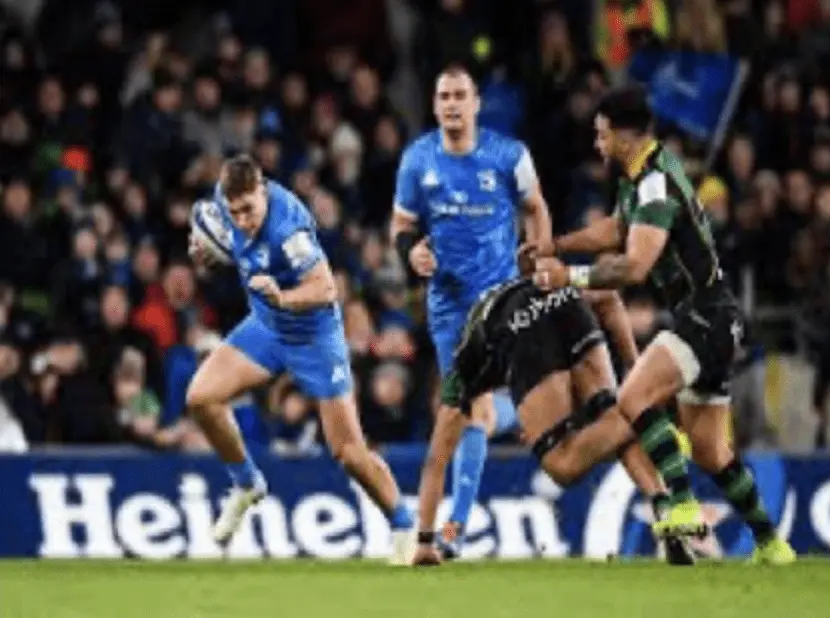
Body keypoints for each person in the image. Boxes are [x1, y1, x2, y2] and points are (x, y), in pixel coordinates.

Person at [530, 85, 796, 565]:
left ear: (625, 136)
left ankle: (681, 504)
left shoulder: (654, 182)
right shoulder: (641, 178)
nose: (597, 143)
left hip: (702, 316)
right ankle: (772, 544)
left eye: (602, 134)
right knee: (712, 452)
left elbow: (634, 265)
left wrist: (568, 274)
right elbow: (615, 229)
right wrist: (556, 245)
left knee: (632, 398)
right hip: (715, 320)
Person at [187, 155, 415, 563]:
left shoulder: (288, 226)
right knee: (201, 397)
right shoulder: (226, 204)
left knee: (349, 452)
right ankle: (246, 484)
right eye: (234, 211)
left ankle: (403, 525)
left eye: (249, 210)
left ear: (264, 191)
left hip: (314, 337)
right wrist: (206, 252)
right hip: (266, 328)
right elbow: (214, 232)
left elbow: (327, 290)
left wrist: (282, 296)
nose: (242, 220)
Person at [411, 277, 704, 566]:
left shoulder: (462, 391)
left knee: (561, 463)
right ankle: (662, 500)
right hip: (558, 298)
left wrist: (425, 540)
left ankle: (646, 407)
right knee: (608, 417)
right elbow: (607, 297)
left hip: (522, 335)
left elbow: (436, 463)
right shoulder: (492, 385)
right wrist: (635, 367)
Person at [389, 63, 554, 558]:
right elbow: (401, 224)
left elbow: (536, 208)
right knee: (470, 411)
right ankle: (526, 415)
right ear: (435, 105)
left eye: (461, 95)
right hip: (446, 305)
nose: (453, 104)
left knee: (471, 408)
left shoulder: (508, 156)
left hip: (499, 298)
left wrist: (540, 259)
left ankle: (454, 529)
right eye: (444, 97)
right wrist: (409, 253)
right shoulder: (418, 160)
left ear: (476, 103)